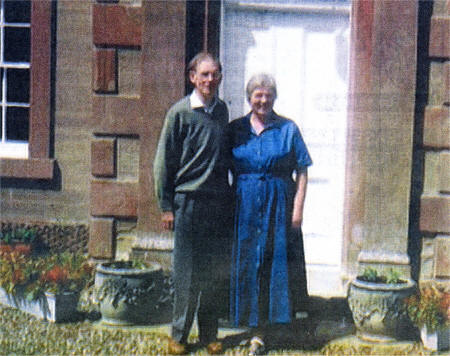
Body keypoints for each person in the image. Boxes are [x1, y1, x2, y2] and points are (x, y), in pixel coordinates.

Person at [153, 52, 232, 355]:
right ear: (193, 77)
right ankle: (179, 335)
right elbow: (163, 162)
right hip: (187, 202)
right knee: (186, 273)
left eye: (216, 74)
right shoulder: (179, 113)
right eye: (205, 74)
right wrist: (165, 206)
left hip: (217, 204)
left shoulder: (222, 111)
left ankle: (210, 334)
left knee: (212, 272)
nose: (211, 80)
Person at [228, 73, 312, 355]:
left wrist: (298, 208)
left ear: (274, 98)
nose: (262, 101)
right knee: (249, 264)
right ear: (249, 98)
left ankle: (269, 329)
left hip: (279, 207)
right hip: (245, 208)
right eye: (257, 95)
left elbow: (302, 170)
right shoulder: (235, 129)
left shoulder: (288, 128)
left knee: (274, 266)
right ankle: (252, 327)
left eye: (268, 95)